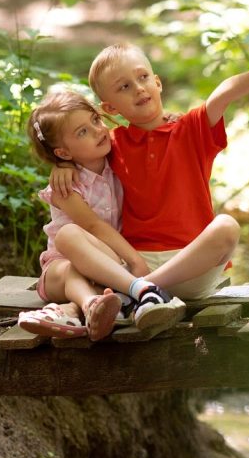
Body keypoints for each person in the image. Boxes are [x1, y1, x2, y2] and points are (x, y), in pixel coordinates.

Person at [49, 40, 249, 309]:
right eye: (124, 86)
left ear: (157, 83)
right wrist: (61, 166)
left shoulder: (191, 130)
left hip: (191, 265)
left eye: (143, 77)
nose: (138, 88)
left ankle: (136, 295)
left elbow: (223, 94)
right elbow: (81, 153)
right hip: (135, 263)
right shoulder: (113, 143)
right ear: (110, 108)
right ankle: (140, 292)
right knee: (68, 234)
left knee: (227, 227)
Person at [19, 87, 187, 341]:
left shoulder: (118, 159)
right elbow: (94, 226)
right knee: (68, 238)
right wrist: (135, 260)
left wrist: (165, 121)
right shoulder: (66, 187)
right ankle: (106, 300)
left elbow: (148, 141)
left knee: (90, 272)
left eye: (95, 120)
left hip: (107, 265)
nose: (98, 130)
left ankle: (77, 311)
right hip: (61, 270)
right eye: (83, 132)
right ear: (63, 153)